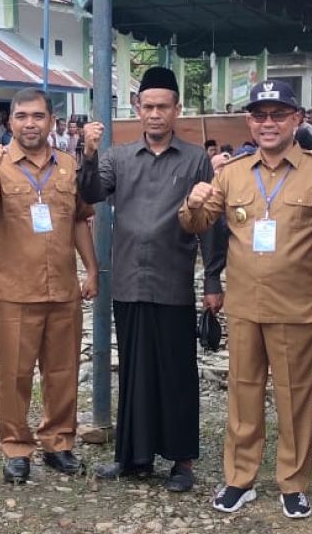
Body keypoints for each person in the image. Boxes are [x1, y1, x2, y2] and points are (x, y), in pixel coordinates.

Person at [180, 79, 312, 517]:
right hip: (244, 307)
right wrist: (193, 202)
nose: (268, 123)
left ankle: (293, 483)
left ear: (297, 119)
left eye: (278, 114)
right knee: (243, 395)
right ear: (249, 122)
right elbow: (199, 225)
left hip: (296, 309)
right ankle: (240, 478)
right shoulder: (231, 172)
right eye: (260, 115)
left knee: (296, 397)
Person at [78, 66, 224, 492]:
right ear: (136, 110)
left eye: (163, 107)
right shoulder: (118, 157)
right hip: (128, 280)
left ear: (177, 110)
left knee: (177, 372)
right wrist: (87, 154)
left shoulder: (195, 158)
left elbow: (211, 223)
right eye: (148, 107)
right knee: (135, 371)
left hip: (174, 281)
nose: (155, 114)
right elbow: (89, 195)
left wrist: (212, 280)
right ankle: (133, 457)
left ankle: (181, 461)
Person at [0, 89, 98, 483]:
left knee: (63, 371)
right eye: (22, 116)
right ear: (10, 122)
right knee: (15, 373)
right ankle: (15, 446)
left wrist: (91, 269)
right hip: (13, 292)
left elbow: (79, 219)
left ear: (52, 121)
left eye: (38, 116)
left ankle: (58, 442)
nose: (30, 124)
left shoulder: (68, 165)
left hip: (62, 289)